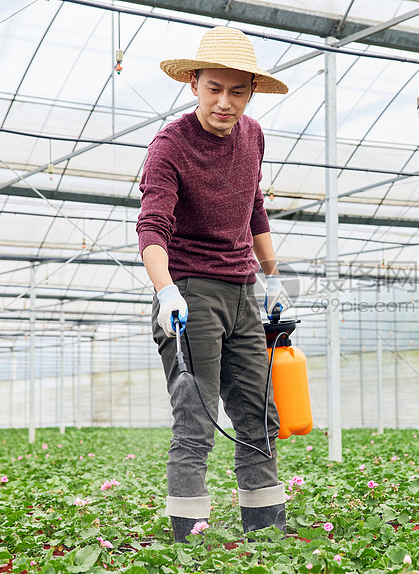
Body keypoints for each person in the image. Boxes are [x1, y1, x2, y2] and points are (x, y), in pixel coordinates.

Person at [135, 26, 292, 542]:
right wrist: (166, 292)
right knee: (196, 420)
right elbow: (151, 227)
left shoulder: (253, 136)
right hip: (189, 290)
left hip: (243, 291)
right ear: (194, 83)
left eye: (237, 91)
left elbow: (254, 207)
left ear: (250, 90)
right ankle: (189, 541)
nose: (225, 103)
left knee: (258, 415)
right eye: (214, 89)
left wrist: (274, 280)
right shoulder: (169, 146)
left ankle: (266, 533)